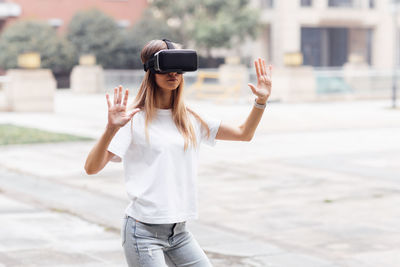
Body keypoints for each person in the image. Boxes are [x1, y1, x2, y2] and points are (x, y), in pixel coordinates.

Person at [84, 39, 272, 267]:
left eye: (179, 67)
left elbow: (244, 133)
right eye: (167, 66)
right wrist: (111, 128)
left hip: (179, 232)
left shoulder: (190, 118)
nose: (174, 73)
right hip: (142, 231)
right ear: (151, 70)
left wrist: (260, 101)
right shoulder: (134, 119)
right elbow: (91, 168)